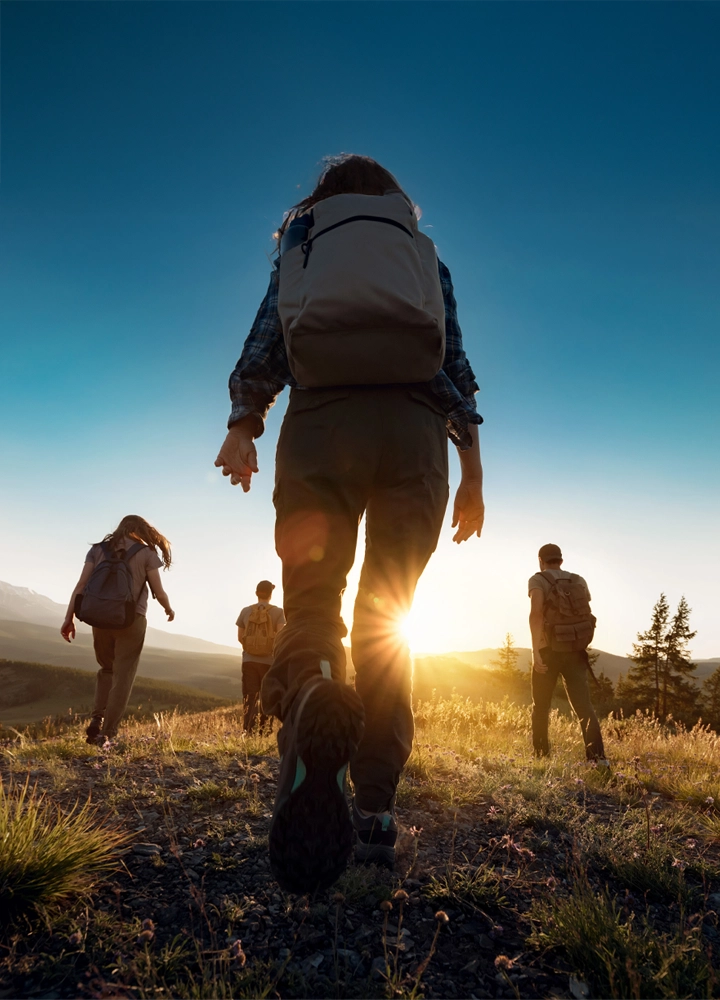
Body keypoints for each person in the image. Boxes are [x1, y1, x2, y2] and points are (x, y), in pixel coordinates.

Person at [215, 154, 484, 893]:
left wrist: (244, 424)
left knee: (310, 600)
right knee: (388, 615)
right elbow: (455, 368)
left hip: (322, 426)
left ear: (322, 197)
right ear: (396, 201)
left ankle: (311, 692)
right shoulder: (423, 258)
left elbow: (267, 340)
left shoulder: (302, 244)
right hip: (415, 437)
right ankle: (374, 814)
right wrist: (473, 476)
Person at [61, 515, 175, 746]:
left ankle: (96, 718)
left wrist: (68, 618)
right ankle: (108, 732)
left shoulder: (98, 550)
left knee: (106, 669)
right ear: (141, 529)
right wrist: (168, 608)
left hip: (100, 617)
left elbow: (81, 586)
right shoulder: (146, 554)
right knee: (123, 676)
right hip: (131, 620)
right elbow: (158, 591)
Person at [528, 543, 607, 763]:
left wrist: (535, 651)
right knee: (584, 707)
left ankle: (542, 759)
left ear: (541, 560)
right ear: (561, 560)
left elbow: (535, 614)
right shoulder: (578, 580)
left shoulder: (538, 580)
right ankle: (598, 760)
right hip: (575, 650)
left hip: (548, 650)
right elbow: (581, 612)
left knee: (541, 706)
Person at [236, 580, 286, 732]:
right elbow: (280, 637)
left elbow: (240, 637)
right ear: (271, 594)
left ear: (256, 593)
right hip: (269, 662)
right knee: (267, 697)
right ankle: (264, 731)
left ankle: (249, 730)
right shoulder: (278, 612)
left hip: (249, 660)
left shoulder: (245, 611)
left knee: (250, 696)